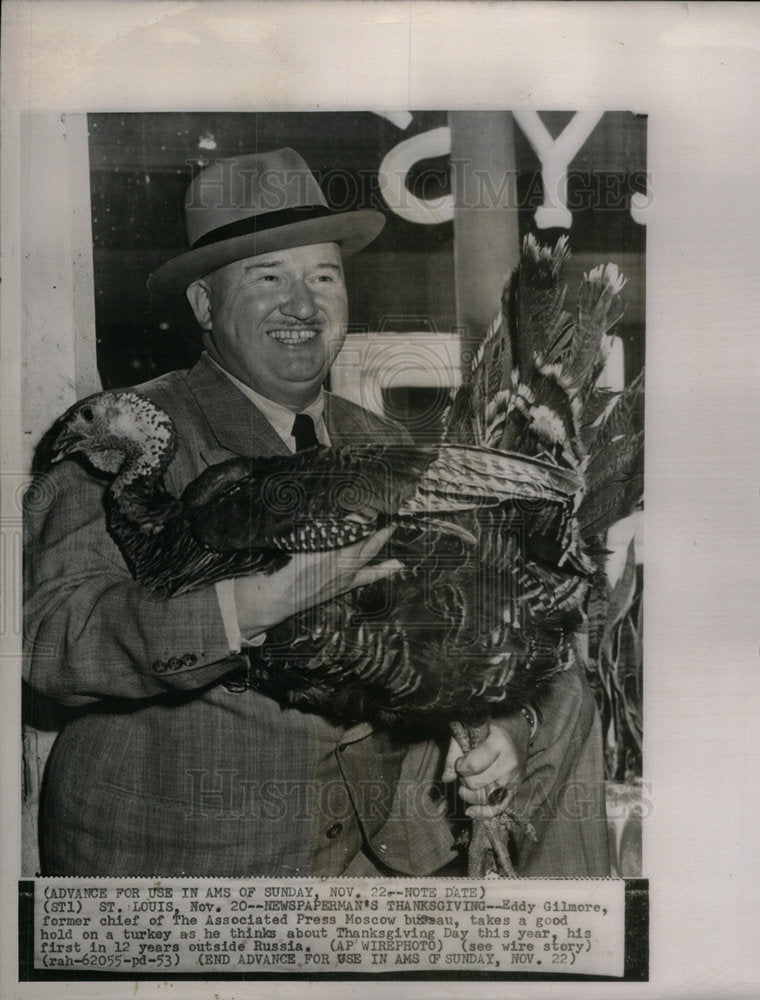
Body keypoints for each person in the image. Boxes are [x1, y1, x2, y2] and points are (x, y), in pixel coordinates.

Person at [24, 147, 609, 877]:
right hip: (185, 861)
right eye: (268, 278)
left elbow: (463, 623)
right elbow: (50, 641)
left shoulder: (383, 444)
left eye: (323, 276)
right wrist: (246, 608)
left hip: (371, 863)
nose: (303, 305)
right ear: (204, 305)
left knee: (565, 699)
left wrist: (499, 722)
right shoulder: (127, 432)